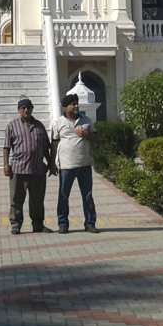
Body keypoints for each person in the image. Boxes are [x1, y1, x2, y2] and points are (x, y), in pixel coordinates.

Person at [2, 98, 53, 234]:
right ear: (19, 110)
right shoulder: (12, 126)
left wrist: (51, 163)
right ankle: (16, 224)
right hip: (18, 169)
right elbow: (6, 147)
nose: (26, 110)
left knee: (37, 200)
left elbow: (46, 147)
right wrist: (6, 165)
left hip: (37, 170)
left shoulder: (39, 126)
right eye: (23, 108)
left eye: (29, 107)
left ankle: (38, 225)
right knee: (16, 199)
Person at [50, 92, 98, 234]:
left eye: (77, 103)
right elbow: (54, 144)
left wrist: (87, 135)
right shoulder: (58, 123)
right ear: (65, 107)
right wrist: (52, 164)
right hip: (66, 166)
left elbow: (97, 138)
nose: (76, 106)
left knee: (87, 195)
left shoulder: (86, 120)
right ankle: (63, 224)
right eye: (73, 104)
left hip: (84, 164)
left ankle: (90, 223)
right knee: (63, 195)